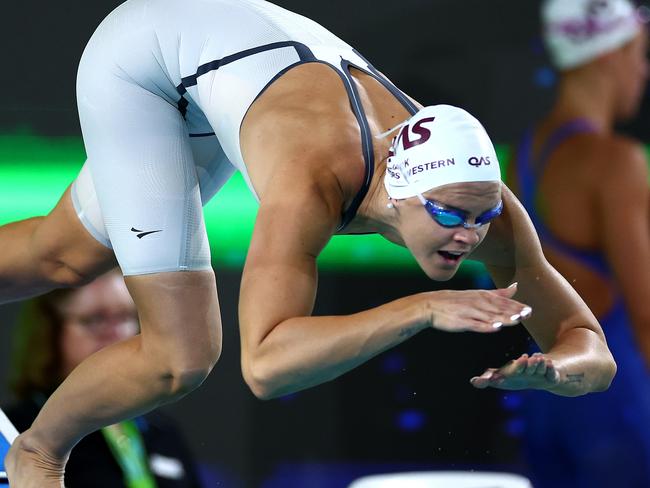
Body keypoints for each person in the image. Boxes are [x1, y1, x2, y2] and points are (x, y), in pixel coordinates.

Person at [0, 0, 616, 486]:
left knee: (66, 252)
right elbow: (266, 366)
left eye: (482, 218)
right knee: (181, 354)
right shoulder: (315, 176)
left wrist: (558, 369)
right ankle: (41, 453)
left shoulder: (479, 202)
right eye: (450, 215)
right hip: (148, 58)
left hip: (233, 59)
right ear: (397, 192)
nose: (469, 235)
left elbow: (593, 349)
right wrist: (419, 309)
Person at [508, 0, 650, 486]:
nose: (644, 71)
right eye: (641, 53)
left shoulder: (520, 159)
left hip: (546, 398)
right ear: (611, 52)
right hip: (617, 402)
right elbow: (646, 316)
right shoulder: (616, 162)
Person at [3, 270, 203, 487]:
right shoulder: (16, 431)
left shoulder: (162, 431)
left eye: (125, 317)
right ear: (49, 330)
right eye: (96, 320)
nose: (116, 334)